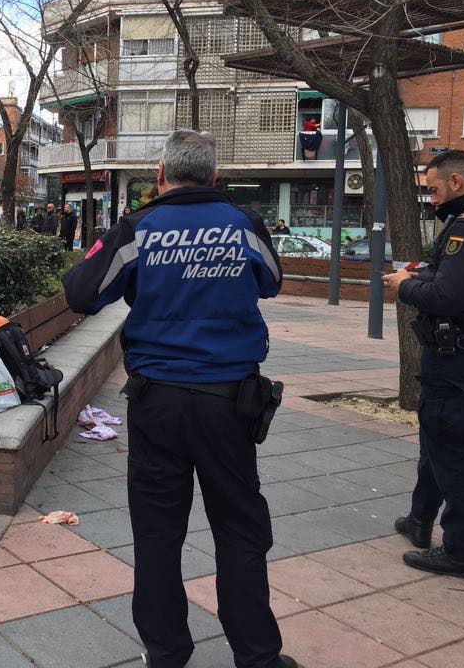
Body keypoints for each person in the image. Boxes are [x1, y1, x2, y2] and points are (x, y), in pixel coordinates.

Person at [63, 129, 295, 668]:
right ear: (215, 178)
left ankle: (166, 654)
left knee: (158, 531)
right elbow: (273, 281)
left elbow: (81, 294)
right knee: (240, 529)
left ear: (161, 176)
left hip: (157, 402)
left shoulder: (138, 227)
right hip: (230, 404)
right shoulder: (244, 224)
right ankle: (258, 656)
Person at [384, 149, 464, 580]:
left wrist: (406, 285)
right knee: (438, 435)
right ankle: (420, 519)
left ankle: (461, 551)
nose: (433, 198)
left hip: (458, 349)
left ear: (457, 183)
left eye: (435, 189)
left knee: (449, 445)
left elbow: (448, 298)